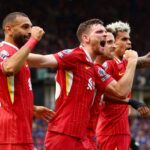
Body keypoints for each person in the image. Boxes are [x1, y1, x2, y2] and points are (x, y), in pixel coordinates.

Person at [27, 18, 138, 150]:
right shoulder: (74, 56)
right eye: (99, 32)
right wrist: (10, 52)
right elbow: (40, 61)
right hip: (64, 135)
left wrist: (133, 62)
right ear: (86, 38)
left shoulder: (94, 68)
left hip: (84, 139)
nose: (104, 34)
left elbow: (121, 91)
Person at [0, 12, 55, 150]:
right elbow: (9, 68)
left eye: (31, 28)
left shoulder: (20, 56)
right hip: (11, 134)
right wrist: (34, 40)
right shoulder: (3, 50)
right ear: (9, 29)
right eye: (25, 27)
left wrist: (31, 108)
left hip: (21, 131)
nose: (30, 32)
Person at [96, 21, 149, 150]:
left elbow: (145, 60)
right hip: (110, 131)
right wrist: (131, 102)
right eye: (124, 39)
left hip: (121, 130)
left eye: (129, 39)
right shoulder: (108, 64)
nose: (129, 42)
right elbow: (101, 95)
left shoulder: (123, 62)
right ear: (113, 42)